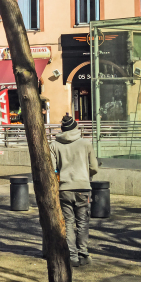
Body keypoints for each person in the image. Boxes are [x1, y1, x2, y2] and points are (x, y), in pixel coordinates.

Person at [50, 114, 100, 267]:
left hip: (64, 188)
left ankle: (72, 256)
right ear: (75, 128)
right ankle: (83, 254)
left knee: (69, 222)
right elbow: (94, 168)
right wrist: (85, 174)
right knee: (83, 222)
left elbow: (53, 169)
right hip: (82, 187)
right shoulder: (86, 144)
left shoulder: (54, 145)